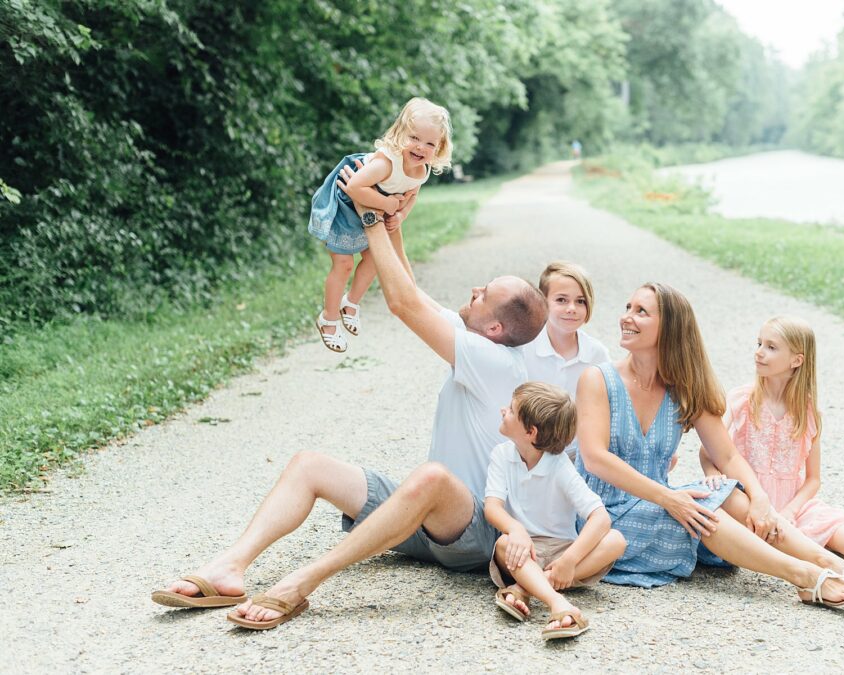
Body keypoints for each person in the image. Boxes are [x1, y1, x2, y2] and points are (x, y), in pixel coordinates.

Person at [151, 191, 548, 629]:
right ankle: (228, 567)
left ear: (494, 328)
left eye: (484, 293)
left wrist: (371, 216)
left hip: (471, 533)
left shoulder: (496, 363)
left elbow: (402, 305)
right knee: (309, 466)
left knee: (432, 478)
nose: (475, 289)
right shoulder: (481, 340)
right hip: (422, 524)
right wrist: (393, 228)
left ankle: (299, 584)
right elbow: (412, 292)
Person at [574, 282, 844, 607]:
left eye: (641, 312)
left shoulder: (680, 387)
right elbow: (595, 458)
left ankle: (833, 564)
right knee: (699, 508)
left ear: (669, 328)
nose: (626, 317)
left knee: (722, 493)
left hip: (658, 503)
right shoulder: (597, 379)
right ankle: (805, 577)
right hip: (603, 516)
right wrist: (670, 498)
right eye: (628, 308)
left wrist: (760, 498)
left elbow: (725, 454)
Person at [699, 316, 844, 556]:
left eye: (771, 347)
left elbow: (813, 479)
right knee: (763, 540)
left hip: (793, 507)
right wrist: (712, 474)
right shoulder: (741, 400)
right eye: (759, 344)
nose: (759, 353)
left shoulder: (808, 413)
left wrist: (790, 512)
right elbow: (708, 450)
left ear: (797, 360)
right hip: (748, 502)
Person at [308, 97, 453, 352]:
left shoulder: (421, 170)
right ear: (400, 133)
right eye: (414, 138)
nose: (420, 147)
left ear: (439, 147)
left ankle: (351, 302)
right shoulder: (387, 162)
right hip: (346, 207)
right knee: (343, 265)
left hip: (371, 209)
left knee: (378, 259)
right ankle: (328, 319)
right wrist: (387, 206)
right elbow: (354, 187)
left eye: (430, 143)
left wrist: (401, 215)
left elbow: (412, 193)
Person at [484, 382, 626, 641]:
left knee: (616, 540)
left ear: (531, 432)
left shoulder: (559, 466)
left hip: (562, 555)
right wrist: (516, 529)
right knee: (504, 543)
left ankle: (526, 588)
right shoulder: (501, 455)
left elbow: (600, 517)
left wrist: (569, 561)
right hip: (525, 551)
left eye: (512, 410)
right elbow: (492, 507)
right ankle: (558, 603)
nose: (504, 410)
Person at [523, 262, 610, 461]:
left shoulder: (597, 355)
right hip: (529, 453)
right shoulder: (525, 349)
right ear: (542, 302)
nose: (572, 308)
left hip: (578, 456)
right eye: (561, 300)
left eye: (580, 301)